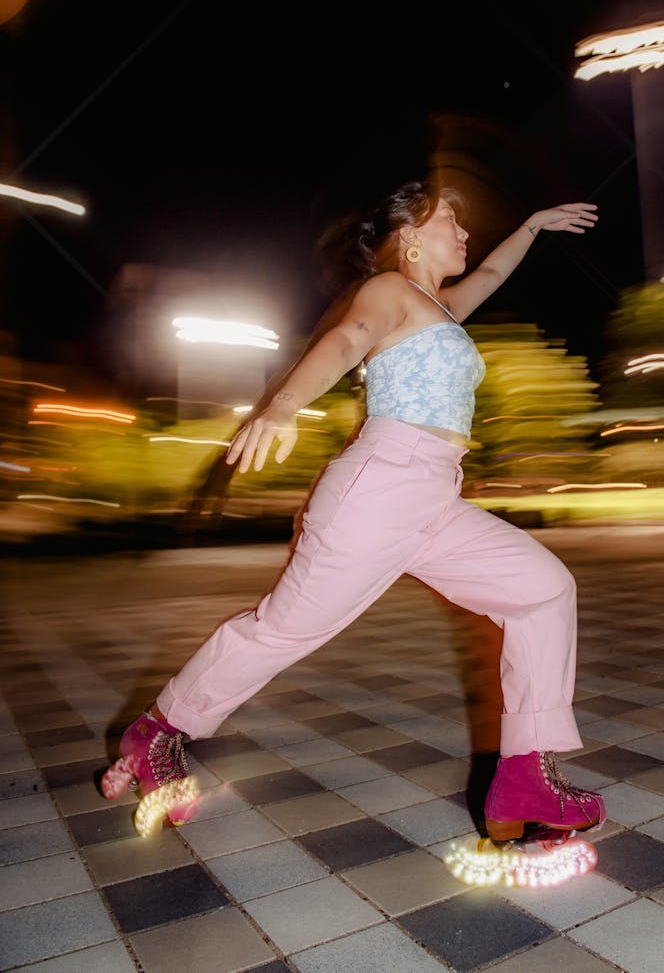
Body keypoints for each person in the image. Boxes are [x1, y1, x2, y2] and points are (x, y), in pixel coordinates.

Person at [102, 178, 606, 843]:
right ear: (410, 237)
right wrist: (281, 405)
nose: (463, 232)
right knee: (284, 628)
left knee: (544, 590)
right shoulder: (389, 291)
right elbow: (345, 342)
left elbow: (491, 270)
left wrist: (535, 225)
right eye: (450, 220)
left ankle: (524, 776)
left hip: (434, 497)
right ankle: (156, 733)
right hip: (379, 489)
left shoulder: (439, 306)